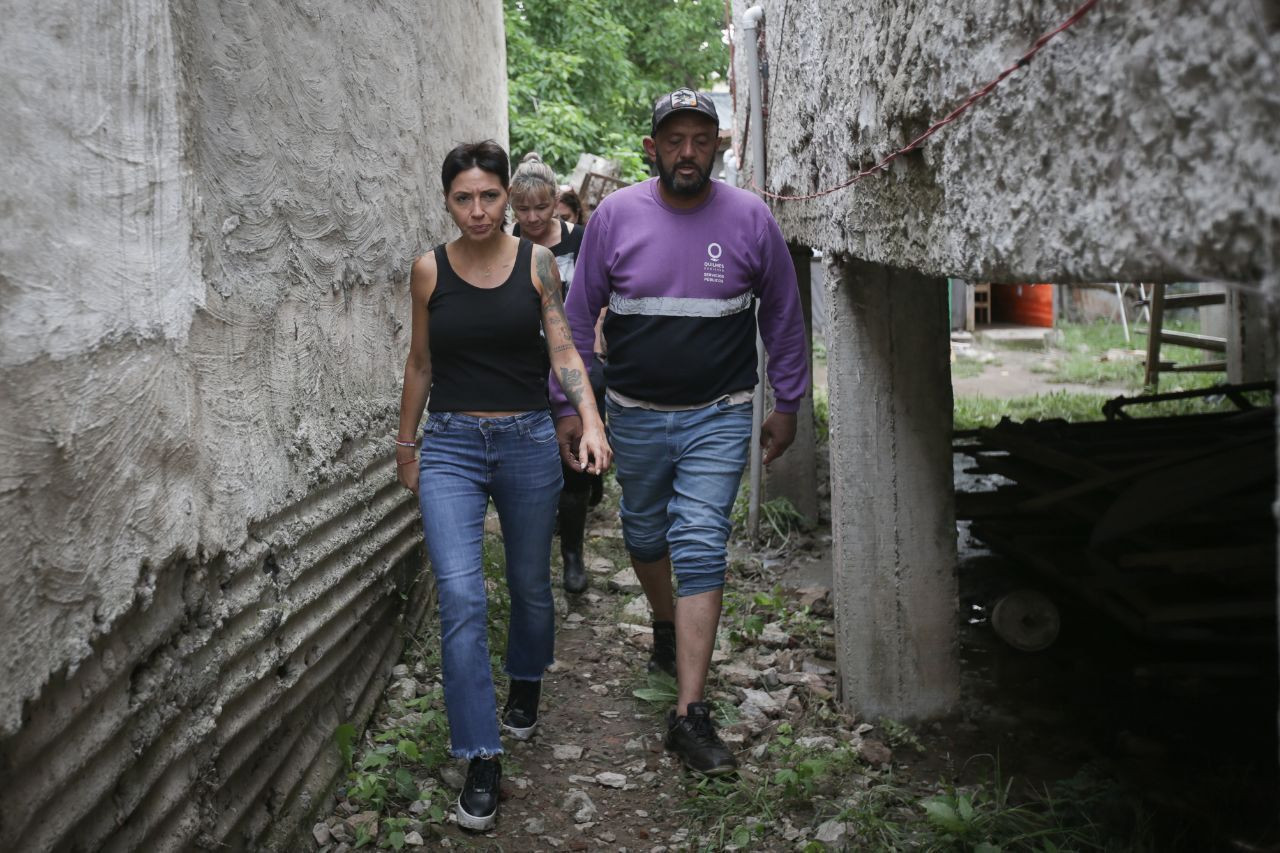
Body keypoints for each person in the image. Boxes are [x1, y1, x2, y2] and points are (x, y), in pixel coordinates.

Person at [552, 88, 809, 777]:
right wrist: (572, 407)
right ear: (652, 148)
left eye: (701, 138)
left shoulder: (751, 219)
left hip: (720, 413)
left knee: (699, 539)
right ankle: (666, 623)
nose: (687, 151)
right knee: (643, 535)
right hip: (634, 413)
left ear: (718, 146)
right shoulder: (614, 217)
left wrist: (788, 402)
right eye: (675, 139)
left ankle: (689, 712)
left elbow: (783, 315)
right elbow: (577, 322)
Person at [395, 140, 610, 830]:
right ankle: (481, 757)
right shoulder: (428, 270)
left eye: (490, 195)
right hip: (453, 445)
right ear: (448, 201)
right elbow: (421, 363)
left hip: (526, 443)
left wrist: (590, 420)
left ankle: (526, 675)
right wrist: (407, 445)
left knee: (528, 583)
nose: (479, 209)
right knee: (460, 597)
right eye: (465, 197)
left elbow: (563, 346)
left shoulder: (537, 263)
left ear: (507, 200)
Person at [509, 154, 604, 594]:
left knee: (574, 467)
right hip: (523, 366)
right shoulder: (504, 240)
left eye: (541, 208)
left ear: (556, 202)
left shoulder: (581, 240)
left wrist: (597, 343)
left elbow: (598, 296)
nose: (531, 218)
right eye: (522, 209)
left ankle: (572, 555)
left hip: (573, 360)